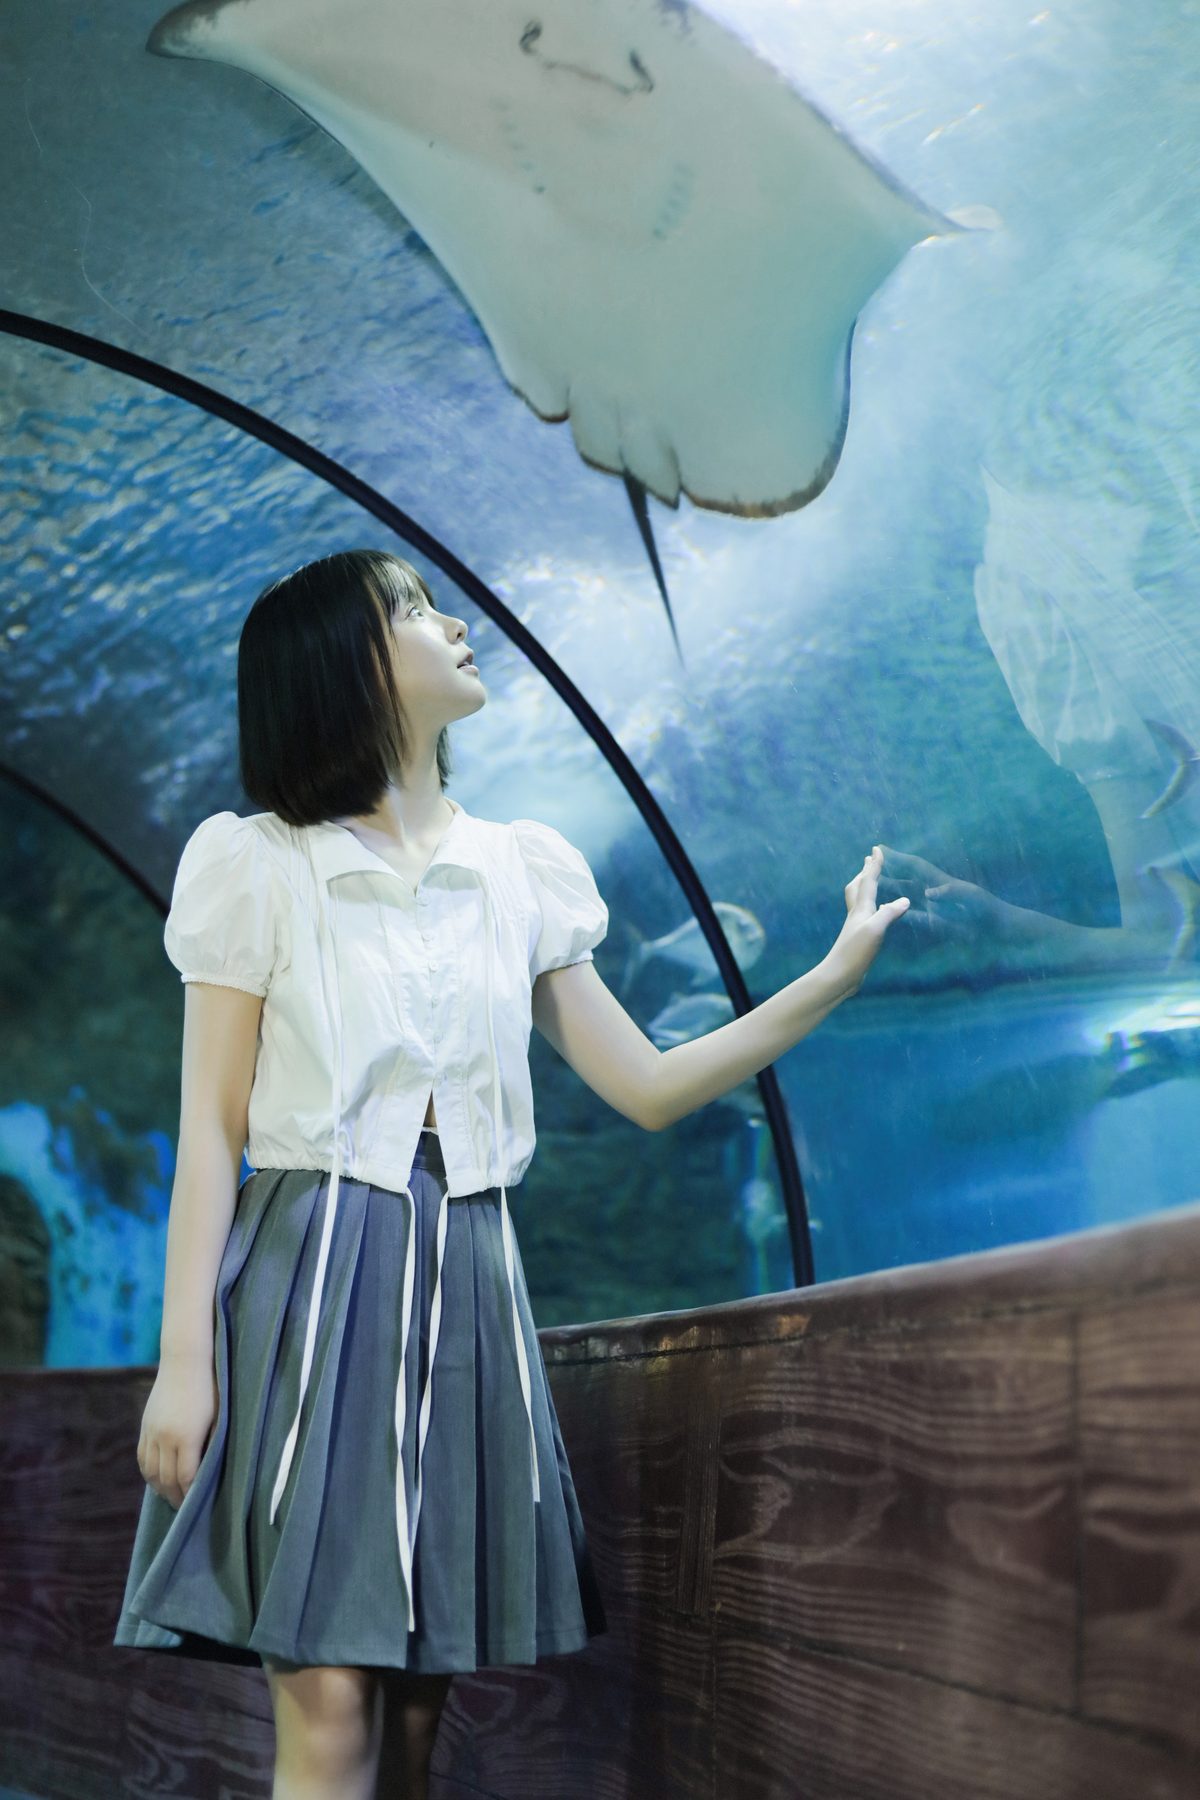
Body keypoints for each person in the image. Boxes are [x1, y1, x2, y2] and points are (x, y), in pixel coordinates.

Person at [112, 548, 909, 1798]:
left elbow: (647, 1086)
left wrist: (829, 980)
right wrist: (184, 1364)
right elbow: (211, 1130)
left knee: (416, 1713)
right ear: (343, 662)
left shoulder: (519, 868)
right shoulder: (257, 865)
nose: (454, 623)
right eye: (413, 609)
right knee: (329, 1697)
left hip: (472, 1280)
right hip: (306, 1277)